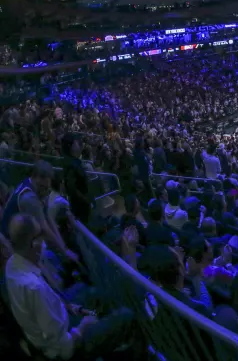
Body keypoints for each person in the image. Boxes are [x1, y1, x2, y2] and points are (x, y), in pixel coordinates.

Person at [5, 214, 138, 360]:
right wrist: (83, 326)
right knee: (127, 316)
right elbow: (64, 349)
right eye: (40, 235)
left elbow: (49, 305)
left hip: (62, 321)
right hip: (69, 346)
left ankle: (107, 332)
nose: (43, 242)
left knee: (95, 295)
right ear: (32, 243)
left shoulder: (12, 264)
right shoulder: (34, 288)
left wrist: (74, 308)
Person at [0, 161, 75, 261]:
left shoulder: (28, 182)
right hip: (9, 244)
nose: (44, 190)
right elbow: (44, 228)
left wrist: (63, 247)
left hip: (16, 238)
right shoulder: (29, 198)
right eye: (42, 186)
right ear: (36, 177)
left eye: (47, 187)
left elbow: (48, 218)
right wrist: (64, 250)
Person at [62, 133, 92, 223]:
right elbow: (71, 187)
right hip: (79, 208)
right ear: (70, 146)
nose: (79, 144)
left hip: (80, 205)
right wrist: (85, 200)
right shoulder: (71, 164)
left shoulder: (73, 162)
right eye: (77, 143)